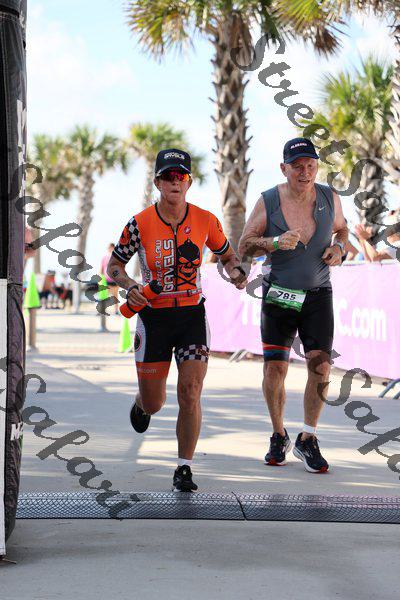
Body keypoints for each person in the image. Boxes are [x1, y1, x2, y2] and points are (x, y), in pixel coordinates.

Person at [107, 148, 247, 491]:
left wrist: (236, 272)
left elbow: (228, 255)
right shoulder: (139, 223)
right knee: (155, 403)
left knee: (191, 391)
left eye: (180, 176)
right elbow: (114, 265)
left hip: (190, 316)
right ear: (157, 183)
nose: (175, 182)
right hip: (153, 318)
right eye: (168, 176)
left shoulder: (206, 220)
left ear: (189, 182)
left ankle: (184, 467)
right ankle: (142, 402)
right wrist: (130, 286)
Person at [239, 137, 348, 473]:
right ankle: (278, 434)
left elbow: (343, 231)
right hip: (279, 293)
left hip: (318, 293)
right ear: (283, 168)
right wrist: (274, 242)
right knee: (275, 369)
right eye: (297, 166)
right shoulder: (269, 200)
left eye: (311, 165)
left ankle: (308, 438)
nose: (305, 172)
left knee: (321, 367)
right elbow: (245, 245)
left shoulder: (329, 197)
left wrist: (339, 249)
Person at [100, 243, 119, 314]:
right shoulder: (104, 258)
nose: (110, 249)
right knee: (104, 296)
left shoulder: (116, 257)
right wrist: (100, 279)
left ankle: (116, 311)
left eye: (111, 247)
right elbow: (101, 269)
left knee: (115, 296)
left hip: (115, 280)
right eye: (109, 248)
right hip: (106, 280)